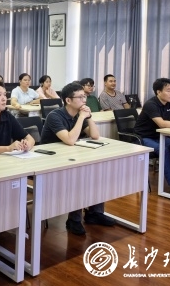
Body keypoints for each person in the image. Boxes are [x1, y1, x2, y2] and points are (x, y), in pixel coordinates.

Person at [40, 82, 115, 234]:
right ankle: (73, 220)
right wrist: (82, 117)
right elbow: (70, 140)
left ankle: (95, 213)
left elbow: (95, 135)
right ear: (68, 100)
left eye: (84, 97)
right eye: (80, 97)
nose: (84, 100)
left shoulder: (79, 115)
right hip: (50, 161)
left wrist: (89, 116)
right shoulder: (55, 116)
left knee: (97, 172)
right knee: (79, 176)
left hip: (69, 156)